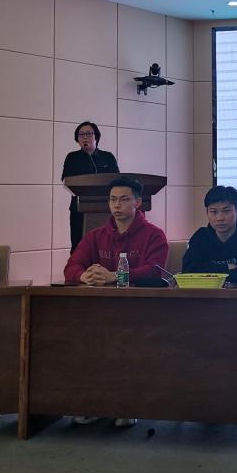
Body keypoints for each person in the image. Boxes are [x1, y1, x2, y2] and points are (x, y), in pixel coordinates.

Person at [62, 176, 168, 429]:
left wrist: (114, 276)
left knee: (126, 342)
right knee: (83, 341)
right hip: (99, 310)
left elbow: (155, 271)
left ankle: (126, 404)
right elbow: (71, 267)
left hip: (140, 310)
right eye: (112, 200)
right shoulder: (95, 235)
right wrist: (84, 276)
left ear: (137, 203)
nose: (117, 205)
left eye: (124, 199)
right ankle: (95, 404)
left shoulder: (154, 235)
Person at [182, 186, 237, 283]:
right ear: (207, 212)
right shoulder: (200, 237)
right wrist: (227, 267)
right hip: (208, 292)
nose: (220, 218)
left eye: (226, 211)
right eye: (214, 212)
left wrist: (206, 271)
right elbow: (187, 271)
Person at [61, 121, 120, 252]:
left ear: (96, 136)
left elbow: (117, 180)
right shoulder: (72, 158)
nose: (85, 137)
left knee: (106, 246)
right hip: (79, 209)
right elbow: (65, 180)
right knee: (78, 247)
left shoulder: (108, 157)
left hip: (105, 208)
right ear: (77, 139)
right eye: (81, 134)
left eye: (88, 133)